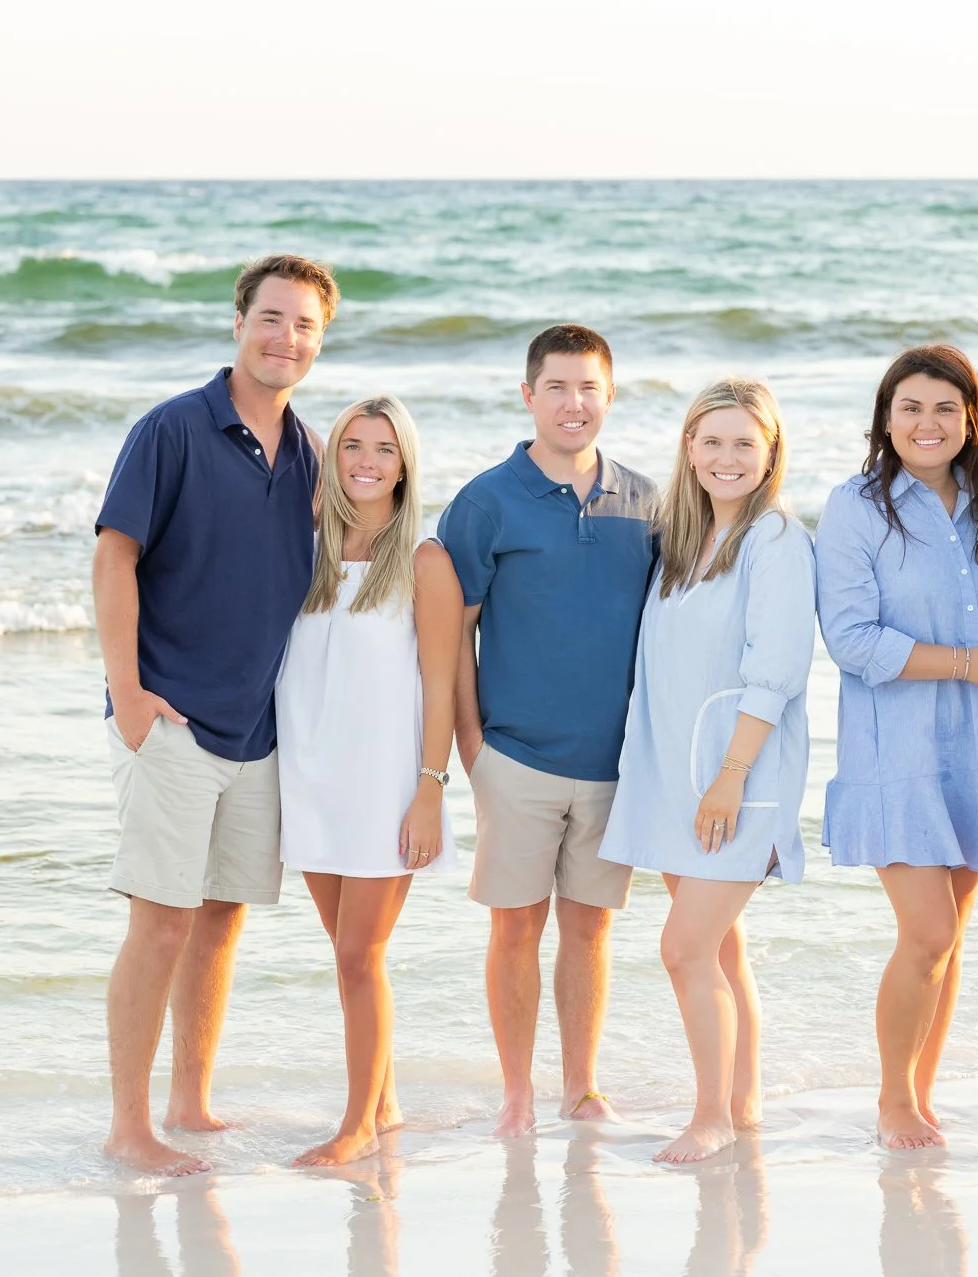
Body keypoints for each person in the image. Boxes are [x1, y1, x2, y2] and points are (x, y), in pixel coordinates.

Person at [91, 254, 336, 1176]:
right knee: (158, 920)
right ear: (238, 322)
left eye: (306, 325)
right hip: (171, 718)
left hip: (259, 729)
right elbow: (116, 557)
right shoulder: (174, 430)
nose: (287, 339)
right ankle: (129, 1126)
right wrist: (128, 696)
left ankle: (190, 1100)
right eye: (272, 318)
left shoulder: (311, 451)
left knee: (222, 916)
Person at [814, 344, 978, 1152]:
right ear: (886, 418)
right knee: (927, 935)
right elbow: (850, 640)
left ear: (971, 421)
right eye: (910, 407)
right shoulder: (856, 506)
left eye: (946, 408)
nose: (927, 422)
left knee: (951, 937)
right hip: (898, 752)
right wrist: (967, 664)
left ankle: (923, 1092)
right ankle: (892, 1100)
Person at [437, 324, 659, 1136]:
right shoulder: (486, 501)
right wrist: (471, 748)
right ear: (528, 396)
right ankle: (517, 1093)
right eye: (557, 387)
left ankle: (581, 1085)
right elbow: (451, 631)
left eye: (589, 387)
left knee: (589, 930)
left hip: (614, 765)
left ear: (610, 395)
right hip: (516, 757)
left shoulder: (648, 501)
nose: (574, 403)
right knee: (515, 926)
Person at [599, 379, 816, 1164]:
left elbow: (778, 670)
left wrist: (731, 776)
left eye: (743, 444)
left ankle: (709, 1118)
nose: (727, 458)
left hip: (738, 779)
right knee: (722, 951)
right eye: (712, 441)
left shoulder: (777, 541)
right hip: (673, 780)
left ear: (769, 455)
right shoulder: (683, 547)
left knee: (685, 951)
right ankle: (742, 1102)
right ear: (689, 448)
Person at [275, 395, 462, 1167]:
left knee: (359, 957)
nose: (366, 461)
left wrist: (431, 788)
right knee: (348, 953)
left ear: (404, 465)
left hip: (388, 786)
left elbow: (442, 685)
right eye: (353, 444)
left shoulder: (424, 561)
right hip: (311, 774)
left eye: (384, 449)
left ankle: (356, 1124)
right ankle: (382, 1103)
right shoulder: (305, 553)